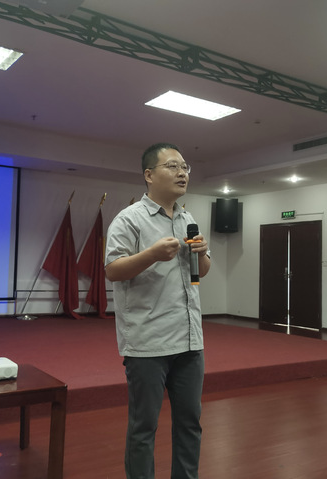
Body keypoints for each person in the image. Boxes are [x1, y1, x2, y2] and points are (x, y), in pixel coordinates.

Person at [105, 143, 211, 479]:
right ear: (149, 175)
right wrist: (150, 254)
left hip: (190, 340)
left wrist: (202, 254)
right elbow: (112, 270)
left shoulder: (187, 218)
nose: (182, 173)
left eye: (185, 167)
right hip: (149, 343)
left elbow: (200, 273)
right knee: (144, 428)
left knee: (190, 424)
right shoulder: (129, 219)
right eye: (173, 166)